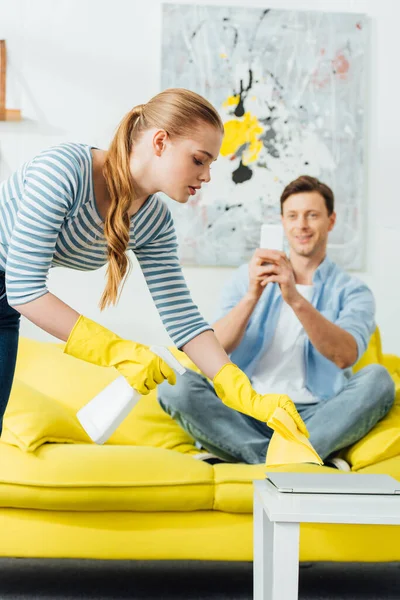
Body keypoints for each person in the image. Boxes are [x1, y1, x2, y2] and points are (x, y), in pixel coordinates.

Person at [0, 88, 308, 439]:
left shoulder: (154, 222)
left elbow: (184, 319)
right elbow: (24, 290)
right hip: (10, 294)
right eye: (199, 160)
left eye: (210, 164)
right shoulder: (65, 171)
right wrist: (119, 352)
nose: (206, 176)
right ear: (160, 142)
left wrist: (246, 395)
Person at [158, 175, 395, 469]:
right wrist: (252, 296)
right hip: (247, 411)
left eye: (312, 215)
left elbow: (345, 356)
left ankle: (251, 456)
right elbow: (212, 350)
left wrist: (295, 298)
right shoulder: (247, 277)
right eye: (293, 216)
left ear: (331, 221)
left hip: (316, 415)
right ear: (282, 222)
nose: (302, 225)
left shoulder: (353, 291)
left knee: (378, 379)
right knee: (173, 384)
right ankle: (287, 458)